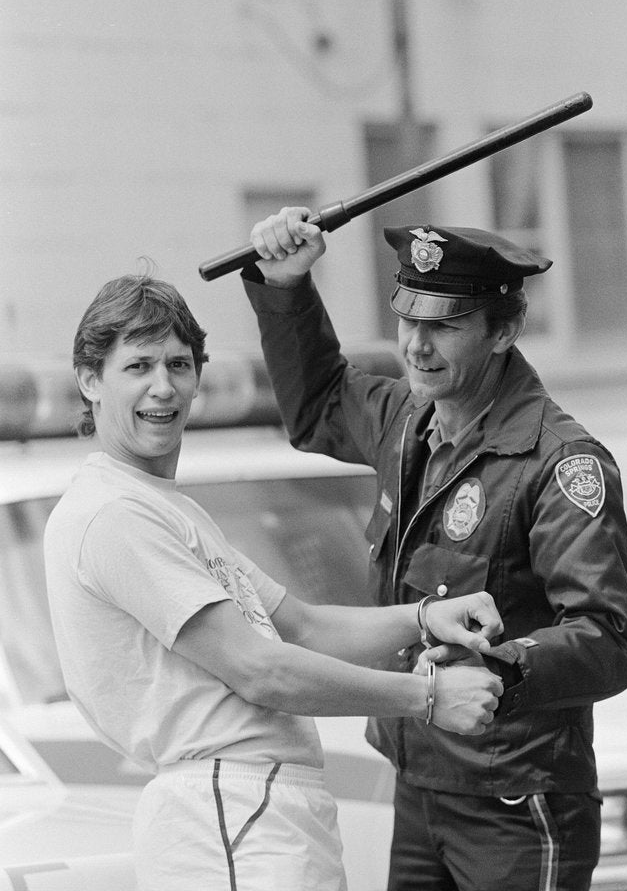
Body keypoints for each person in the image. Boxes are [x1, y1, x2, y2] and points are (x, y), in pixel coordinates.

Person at [43, 273, 505, 891]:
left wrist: (422, 618)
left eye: (180, 363)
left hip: (250, 805)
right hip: (225, 807)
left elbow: (304, 627)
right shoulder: (114, 513)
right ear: (90, 379)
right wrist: (427, 698)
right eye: (139, 365)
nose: (164, 386)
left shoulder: (166, 507)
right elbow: (262, 670)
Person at [241, 210, 627, 891]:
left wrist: (502, 667)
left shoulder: (560, 462)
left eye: (445, 327)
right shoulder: (407, 419)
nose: (417, 348)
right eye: (408, 321)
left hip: (516, 798)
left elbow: (609, 639)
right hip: (420, 778)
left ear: (505, 331)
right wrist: (286, 285)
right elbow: (314, 407)